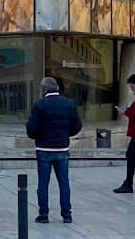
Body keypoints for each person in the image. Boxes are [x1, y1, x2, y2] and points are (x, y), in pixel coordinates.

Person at [25, 75, 82, 225]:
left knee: (43, 183)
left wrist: (38, 135)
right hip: (62, 148)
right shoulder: (69, 104)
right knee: (64, 182)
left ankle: (43, 214)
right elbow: (77, 126)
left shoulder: (39, 105)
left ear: (45, 89)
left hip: (43, 148)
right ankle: (66, 214)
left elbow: (31, 129)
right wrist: (65, 134)